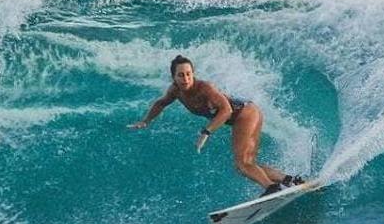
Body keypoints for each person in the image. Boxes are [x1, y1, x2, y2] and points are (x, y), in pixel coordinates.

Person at [127, 55, 304, 196]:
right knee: (245, 165)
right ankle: (288, 180)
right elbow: (161, 103)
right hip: (240, 117)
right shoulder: (175, 91)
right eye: (180, 75)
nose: (186, 78)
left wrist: (206, 132)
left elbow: (226, 110)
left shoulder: (205, 88)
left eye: (189, 73)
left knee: (243, 163)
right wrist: (146, 121)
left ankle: (272, 188)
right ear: (173, 77)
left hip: (245, 113)